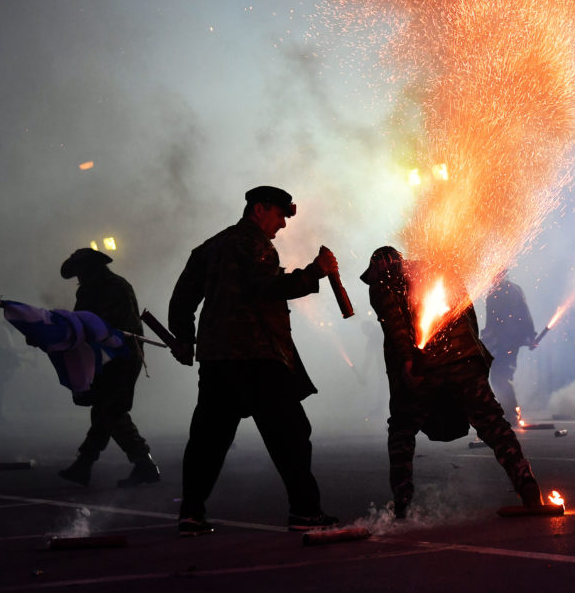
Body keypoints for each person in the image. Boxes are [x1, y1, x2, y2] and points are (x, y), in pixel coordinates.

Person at [168, 186, 339, 537]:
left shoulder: (211, 246)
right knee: (291, 435)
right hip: (258, 359)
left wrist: (184, 339)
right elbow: (268, 287)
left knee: (207, 441)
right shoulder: (254, 243)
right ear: (259, 209)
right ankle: (306, 513)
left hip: (217, 360)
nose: (282, 225)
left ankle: (190, 515)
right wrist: (314, 272)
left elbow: (183, 296)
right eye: (278, 215)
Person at [360, 246, 543, 519]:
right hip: (465, 360)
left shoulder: (383, 282)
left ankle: (401, 502)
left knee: (401, 430)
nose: (371, 278)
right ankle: (528, 488)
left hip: (424, 366)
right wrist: (473, 359)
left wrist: (408, 363)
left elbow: (395, 325)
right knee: (492, 423)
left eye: (372, 273)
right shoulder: (439, 270)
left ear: (380, 265)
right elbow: (468, 317)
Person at [57, 248, 160, 488]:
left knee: (111, 411)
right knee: (103, 411)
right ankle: (83, 465)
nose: (79, 278)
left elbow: (87, 324)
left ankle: (144, 464)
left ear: (90, 268)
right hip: (115, 356)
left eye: (80, 272)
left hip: (117, 357)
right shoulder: (114, 284)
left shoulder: (103, 288)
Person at [481, 270, 537, 424]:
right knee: (501, 376)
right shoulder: (511, 290)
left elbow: (521, 315)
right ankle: (510, 412)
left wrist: (530, 335)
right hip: (505, 342)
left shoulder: (497, 294)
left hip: (505, 342)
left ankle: (511, 413)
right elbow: (525, 314)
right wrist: (530, 335)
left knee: (500, 376)